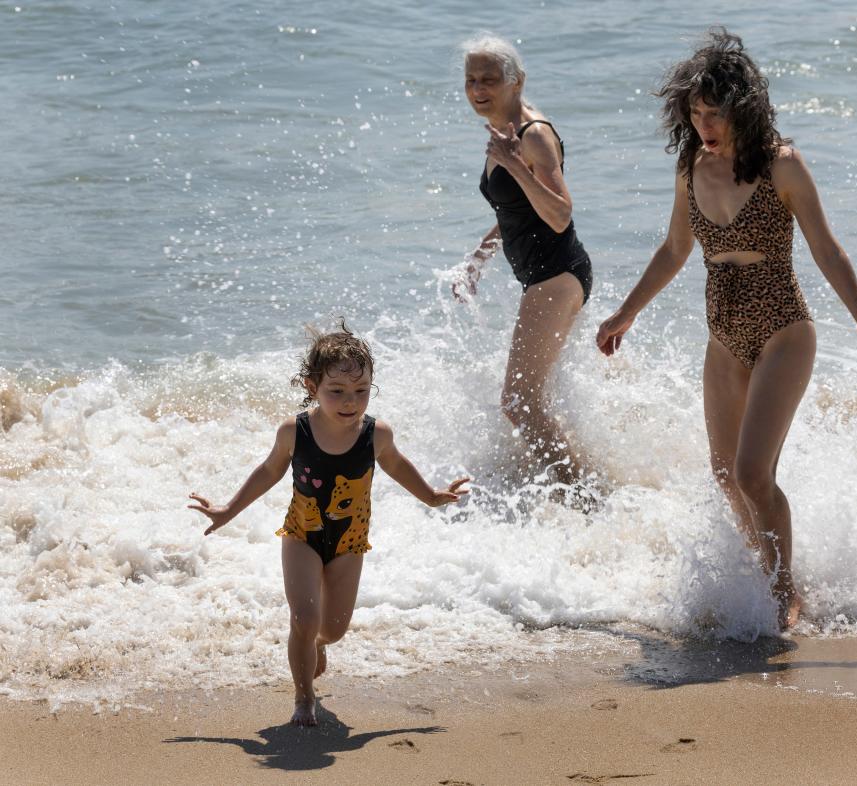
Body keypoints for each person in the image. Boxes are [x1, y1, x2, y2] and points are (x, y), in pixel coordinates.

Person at [595, 29, 857, 629]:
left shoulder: (781, 165)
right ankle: (763, 569)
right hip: (723, 335)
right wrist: (627, 311)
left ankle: (786, 591)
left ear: (743, 107)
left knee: (751, 472)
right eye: (696, 111)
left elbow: (827, 249)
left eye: (716, 112)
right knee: (722, 473)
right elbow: (674, 250)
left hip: (784, 329)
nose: (705, 124)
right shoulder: (690, 167)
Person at [188, 324, 469, 726]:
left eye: (361, 390)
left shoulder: (376, 435)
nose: (350, 401)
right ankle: (304, 698)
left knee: (332, 630)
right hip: (302, 535)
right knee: (303, 618)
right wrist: (227, 509)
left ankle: (318, 643)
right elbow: (268, 471)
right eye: (336, 390)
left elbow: (396, 466)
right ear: (312, 385)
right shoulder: (294, 431)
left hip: (350, 541)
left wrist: (430, 495)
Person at [452, 33, 594, 489]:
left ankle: (585, 497)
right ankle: (579, 482)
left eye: (489, 79)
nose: (478, 88)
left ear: (517, 81)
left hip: (557, 273)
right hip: (547, 275)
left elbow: (559, 213)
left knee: (519, 401)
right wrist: (478, 257)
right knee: (530, 398)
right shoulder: (504, 134)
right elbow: (515, 211)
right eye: (471, 79)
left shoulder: (533, 136)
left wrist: (514, 164)